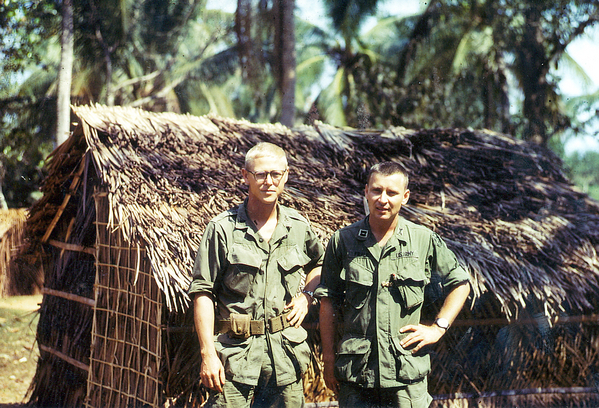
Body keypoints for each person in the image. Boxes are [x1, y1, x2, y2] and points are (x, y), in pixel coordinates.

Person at [315, 161, 471, 408]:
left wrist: (438, 328)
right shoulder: (343, 240)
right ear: (366, 191)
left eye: (392, 192)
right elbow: (328, 300)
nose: (382, 199)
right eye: (376, 191)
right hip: (357, 375)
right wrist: (329, 358)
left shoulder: (422, 239)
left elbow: (460, 283)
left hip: (405, 376)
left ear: (405, 197)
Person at [188, 142, 324, 408]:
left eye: (276, 174)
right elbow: (203, 292)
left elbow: (321, 265)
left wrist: (306, 296)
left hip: (285, 359)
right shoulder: (222, 229)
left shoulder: (298, 226)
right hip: (235, 361)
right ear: (245, 176)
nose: (268, 182)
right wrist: (208, 354)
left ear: (286, 175)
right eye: (260, 174)